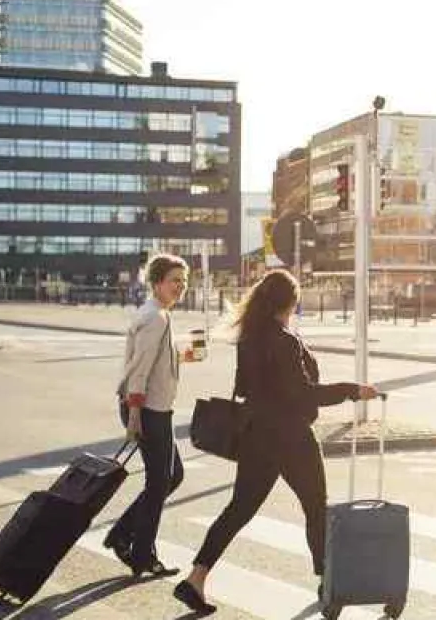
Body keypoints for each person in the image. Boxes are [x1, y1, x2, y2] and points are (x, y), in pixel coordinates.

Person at [174, 270, 379, 615]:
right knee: (316, 508)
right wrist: (352, 391)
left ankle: (196, 577)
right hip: (291, 437)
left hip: (256, 436)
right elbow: (302, 393)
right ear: (291, 302)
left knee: (238, 509)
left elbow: (246, 387)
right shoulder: (283, 341)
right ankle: (328, 583)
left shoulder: (250, 337)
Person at [103, 254, 194, 578]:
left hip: (154, 409)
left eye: (184, 281)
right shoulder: (156, 317)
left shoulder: (157, 314)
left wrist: (181, 355)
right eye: (174, 281)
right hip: (147, 410)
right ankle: (141, 554)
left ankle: (122, 535)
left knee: (170, 476)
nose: (181, 287)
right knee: (160, 482)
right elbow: (139, 370)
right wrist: (135, 416)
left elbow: (152, 361)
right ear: (157, 283)